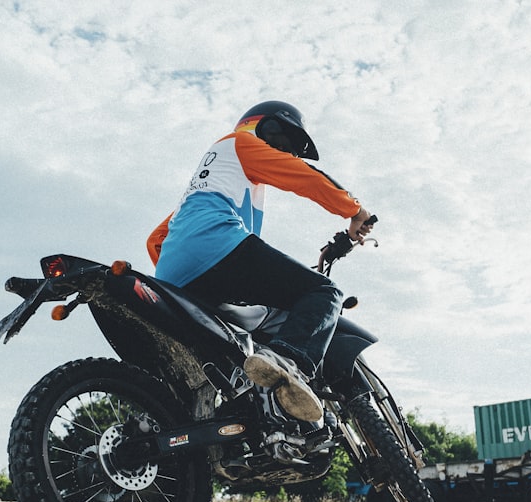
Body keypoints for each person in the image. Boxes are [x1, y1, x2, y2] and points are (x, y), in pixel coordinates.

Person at [146, 101, 374, 422]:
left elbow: (156, 240)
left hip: (176, 278)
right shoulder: (241, 143)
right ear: (255, 126)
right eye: (278, 138)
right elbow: (305, 177)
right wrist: (355, 211)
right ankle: (286, 361)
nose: (282, 151)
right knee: (325, 293)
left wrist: (182, 273)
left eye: (288, 149)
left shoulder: (210, 183)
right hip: (220, 249)